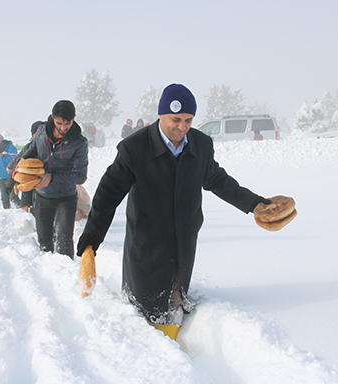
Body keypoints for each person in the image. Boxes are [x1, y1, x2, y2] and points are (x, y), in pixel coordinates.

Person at [76, 83, 271, 340]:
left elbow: (219, 180)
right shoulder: (135, 149)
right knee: (144, 305)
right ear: (161, 115)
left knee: (175, 296)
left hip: (184, 240)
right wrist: (91, 242)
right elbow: (107, 196)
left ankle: (171, 342)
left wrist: (255, 204)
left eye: (188, 120)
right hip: (147, 244)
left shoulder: (200, 145)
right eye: (175, 119)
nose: (182, 126)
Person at [21, 100, 88, 259]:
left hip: (66, 197)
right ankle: (47, 272)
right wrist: (23, 162)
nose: (63, 127)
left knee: (64, 240)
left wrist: (51, 178)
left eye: (67, 123)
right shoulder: (41, 132)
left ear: (74, 118)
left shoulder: (79, 143)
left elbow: (80, 176)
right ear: (52, 117)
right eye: (59, 123)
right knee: (44, 239)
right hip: (43, 196)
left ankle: (66, 274)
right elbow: (33, 149)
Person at [6, 120, 43, 213]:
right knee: (37, 214)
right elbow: (17, 166)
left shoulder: (53, 147)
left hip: (50, 188)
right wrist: (9, 185)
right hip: (32, 189)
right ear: (34, 135)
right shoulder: (28, 148)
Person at [0, 133, 20, 209]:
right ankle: (7, 210)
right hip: (2, 177)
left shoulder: (11, 147)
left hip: (12, 176)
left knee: (13, 196)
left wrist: (4, 156)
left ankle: (21, 208)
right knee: (4, 197)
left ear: (1, 141)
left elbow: (14, 158)